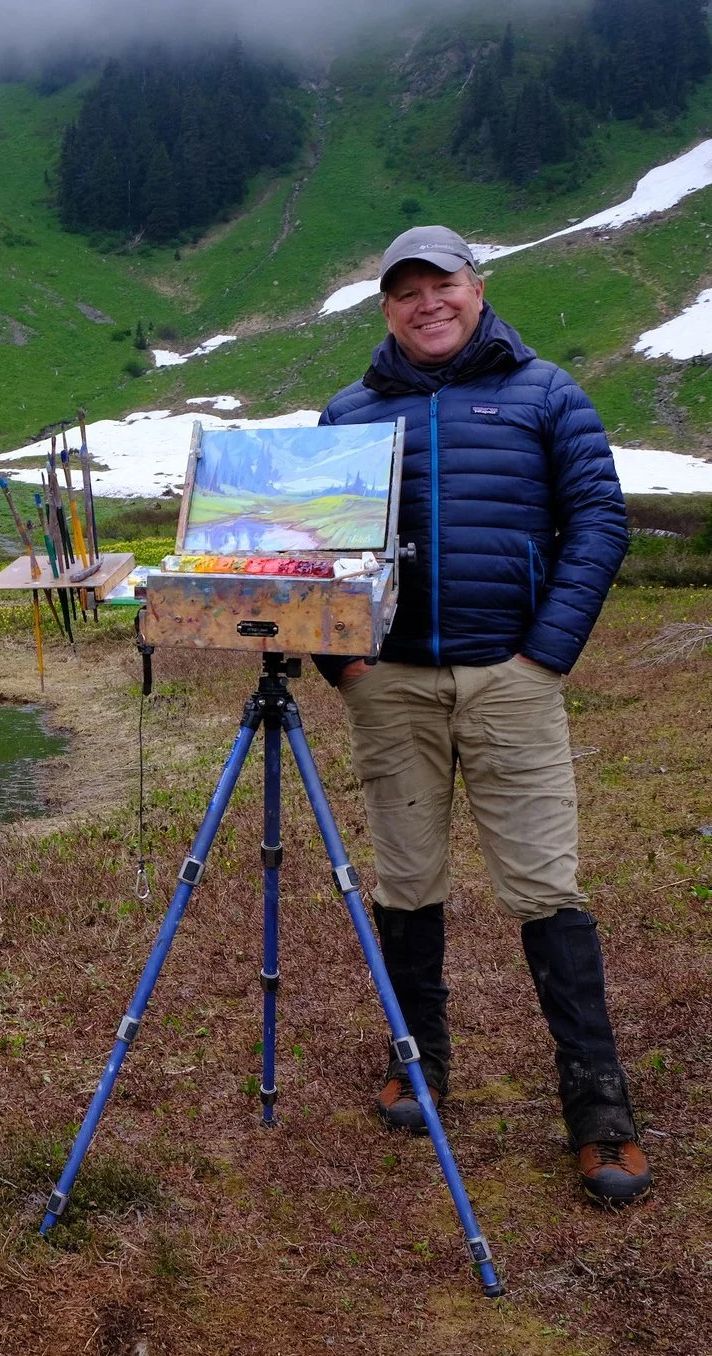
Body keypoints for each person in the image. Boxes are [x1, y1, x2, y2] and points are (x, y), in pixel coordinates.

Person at [315, 224, 651, 1207]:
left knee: (545, 887)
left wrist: (544, 653)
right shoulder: (350, 413)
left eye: (442, 284)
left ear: (476, 286)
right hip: (393, 686)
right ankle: (417, 1063)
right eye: (406, 290)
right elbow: (317, 547)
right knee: (407, 879)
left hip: (511, 681)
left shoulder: (546, 395)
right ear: (387, 306)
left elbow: (598, 521)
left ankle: (598, 1111)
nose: (428, 303)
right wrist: (343, 659)